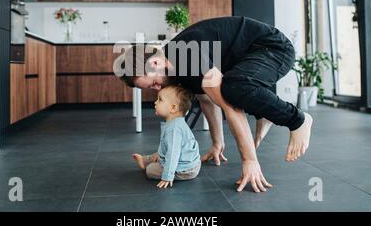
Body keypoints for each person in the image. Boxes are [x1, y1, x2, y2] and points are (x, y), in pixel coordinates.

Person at [120, 16, 313, 193]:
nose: (157, 88)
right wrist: (217, 143)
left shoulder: (186, 55)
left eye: (154, 82)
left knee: (234, 87)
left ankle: (297, 120)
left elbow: (231, 108)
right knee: (230, 86)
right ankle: (263, 113)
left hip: (274, 48)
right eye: (151, 88)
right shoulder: (177, 69)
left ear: (154, 63)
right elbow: (207, 101)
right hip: (250, 58)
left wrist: (249, 160)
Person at [132, 85, 201, 189]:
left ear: (173, 108)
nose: (155, 102)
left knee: (150, 170)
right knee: (158, 155)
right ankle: (144, 160)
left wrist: (167, 176)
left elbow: (173, 154)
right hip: (191, 162)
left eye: (160, 100)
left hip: (185, 170)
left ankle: (150, 165)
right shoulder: (175, 122)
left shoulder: (174, 130)